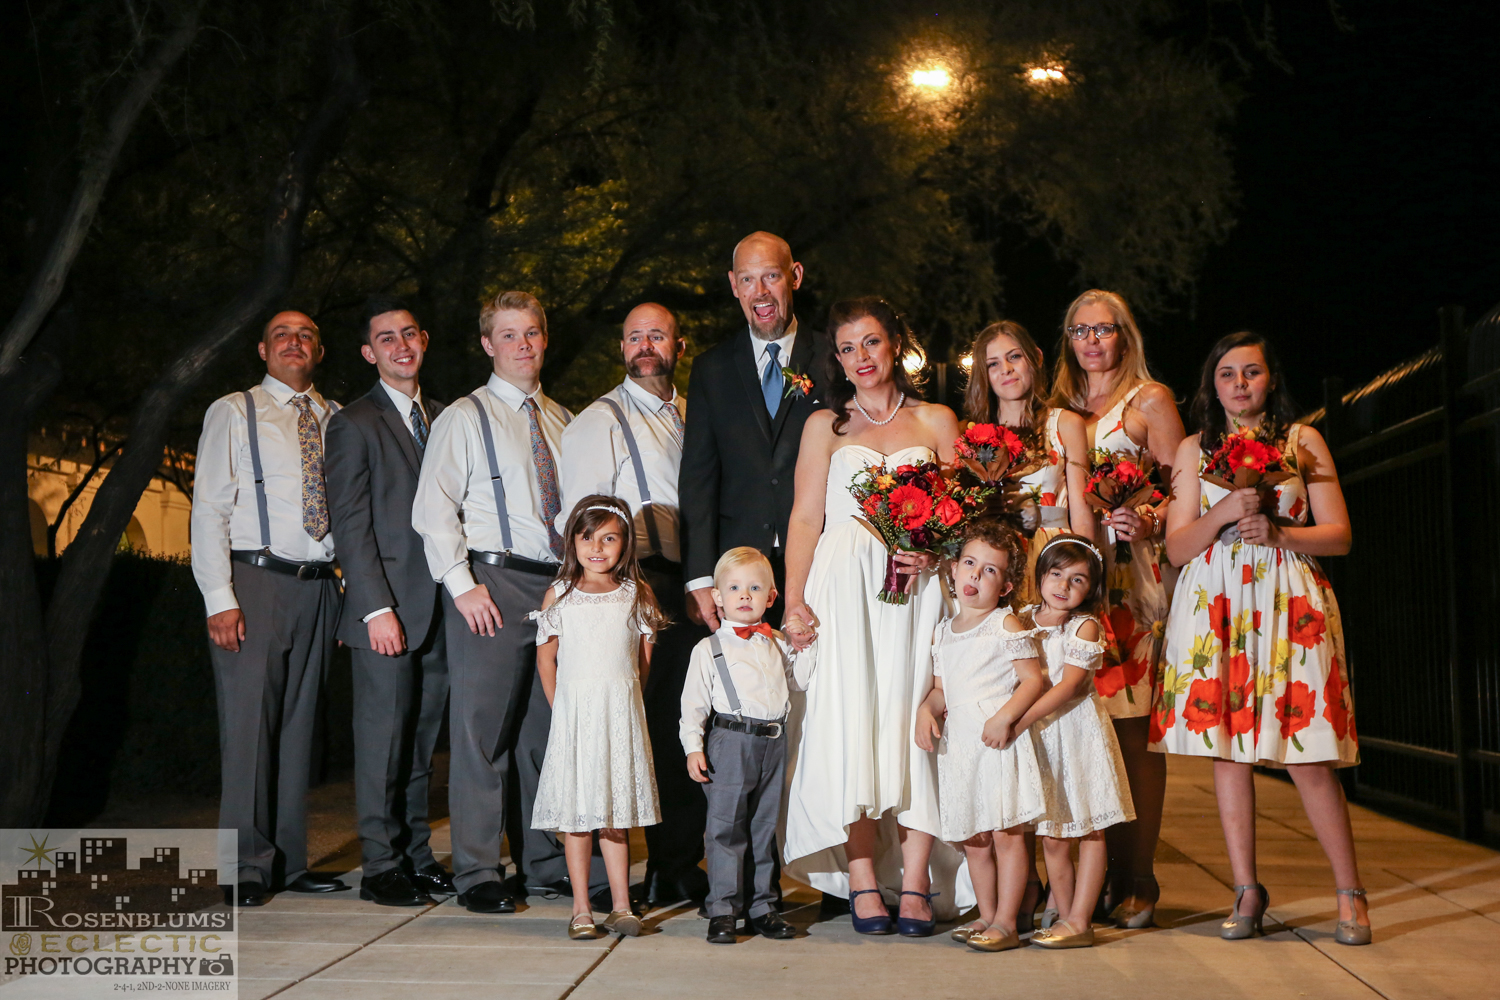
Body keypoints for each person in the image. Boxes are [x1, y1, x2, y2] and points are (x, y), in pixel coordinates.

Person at [1154, 331, 1368, 945]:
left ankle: (1350, 892)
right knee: (1228, 750)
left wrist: (1281, 535)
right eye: (1227, 373)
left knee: (1309, 749)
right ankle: (1246, 889)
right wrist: (1223, 512)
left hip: (1287, 597)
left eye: (1251, 371)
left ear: (1271, 379)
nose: (1239, 383)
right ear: (1212, 384)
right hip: (1217, 600)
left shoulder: (1302, 441)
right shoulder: (1195, 449)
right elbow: (1177, 546)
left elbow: (1340, 534)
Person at [781, 296, 964, 936]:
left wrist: (937, 553)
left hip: (920, 593)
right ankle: (861, 879)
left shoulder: (937, 420)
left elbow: (965, 517)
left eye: (872, 342)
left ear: (896, 345)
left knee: (915, 724)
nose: (860, 357)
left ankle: (916, 881)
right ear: (836, 359)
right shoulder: (824, 427)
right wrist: (795, 599)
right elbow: (805, 517)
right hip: (844, 593)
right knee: (852, 723)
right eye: (847, 347)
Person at [412, 290, 572, 913]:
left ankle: (544, 862)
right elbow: (433, 508)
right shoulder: (464, 416)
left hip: (555, 587)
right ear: (487, 344)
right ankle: (478, 871)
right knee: (481, 734)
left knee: (543, 733)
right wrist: (463, 584)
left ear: (544, 338)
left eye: (531, 332)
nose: (522, 344)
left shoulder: (563, 420)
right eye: (508, 334)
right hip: (494, 583)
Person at [190, 309, 348, 906]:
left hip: (321, 586)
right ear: (263, 350)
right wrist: (219, 597)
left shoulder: (338, 419)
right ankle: (244, 865)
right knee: (250, 727)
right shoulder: (235, 411)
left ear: (320, 351)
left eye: (306, 335)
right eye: (282, 334)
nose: (294, 342)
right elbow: (210, 507)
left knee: (300, 727)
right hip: (256, 580)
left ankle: (288, 861)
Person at [558, 302, 706, 905]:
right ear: (622, 348)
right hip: (639, 583)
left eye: (658, 335)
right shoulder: (599, 421)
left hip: (697, 580)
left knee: (691, 720)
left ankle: (679, 861)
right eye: (634, 336)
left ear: (678, 345)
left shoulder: (693, 413)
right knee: (640, 725)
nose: (645, 345)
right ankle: (630, 875)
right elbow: (581, 523)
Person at [1051, 288, 1183, 927]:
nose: (1091, 341)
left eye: (1103, 329)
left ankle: (1139, 875)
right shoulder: (1061, 409)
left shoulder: (1148, 400)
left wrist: (1150, 515)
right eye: (1079, 331)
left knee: (1133, 732)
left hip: (1131, 583)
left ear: (1124, 335)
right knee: (1083, 729)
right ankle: (1092, 877)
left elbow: (1183, 487)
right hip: (1071, 583)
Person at [324, 297, 453, 906]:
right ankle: (379, 866)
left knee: (422, 747)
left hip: (442, 611)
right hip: (387, 613)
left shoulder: (446, 417)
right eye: (386, 338)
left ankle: (416, 857)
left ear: (423, 340)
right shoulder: (354, 423)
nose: (400, 346)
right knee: (383, 744)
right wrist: (375, 608)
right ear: (368, 352)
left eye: (408, 334)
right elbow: (350, 525)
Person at [531, 496, 666, 940]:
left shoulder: (636, 594)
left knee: (614, 813)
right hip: (574, 719)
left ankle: (621, 906)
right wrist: (562, 709)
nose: (597, 547)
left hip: (618, 717)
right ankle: (581, 909)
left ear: (625, 543)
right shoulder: (560, 595)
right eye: (587, 537)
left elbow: (642, 661)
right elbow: (546, 660)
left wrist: (626, 702)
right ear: (572, 541)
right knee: (577, 816)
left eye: (609, 538)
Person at [680, 231, 827, 630]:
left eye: (771, 276)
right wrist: (699, 576)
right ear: (733, 285)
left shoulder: (833, 358)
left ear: (795, 276)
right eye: (747, 279)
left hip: (820, 561)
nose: (759, 291)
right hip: (738, 575)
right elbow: (698, 479)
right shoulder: (710, 369)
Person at [914, 523, 1046, 954]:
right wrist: (926, 709)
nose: (975, 574)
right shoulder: (943, 631)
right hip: (961, 748)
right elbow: (942, 689)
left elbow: (1033, 680)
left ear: (1005, 587)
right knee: (975, 839)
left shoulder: (1003, 623)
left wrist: (1004, 717)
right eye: (969, 563)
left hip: (996, 745)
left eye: (990, 570)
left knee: (1006, 835)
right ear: (953, 570)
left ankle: (1007, 922)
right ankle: (987, 915)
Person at [680, 547, 817, 945]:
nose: (744, 595)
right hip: (731, 742)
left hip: (773, 742)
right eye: (734, 588)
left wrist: (806, 648)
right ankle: (723, 909)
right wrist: (693, 747)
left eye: (755, 588)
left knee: (763, 827)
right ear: (718, 597)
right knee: (725, 829)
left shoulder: (776, 642)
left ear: (771, 597)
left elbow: (798, 682)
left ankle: (762, 907)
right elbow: (693, 705)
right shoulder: (708, 649)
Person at [1013, 535, 1136, 949]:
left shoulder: (1083, 625)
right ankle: (1064, 917)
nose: (1063, 586)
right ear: (1041, 575)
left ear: (1092, 588)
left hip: (1075, 732)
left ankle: (1080, 918)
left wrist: (1019, 719)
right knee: (1052, 834)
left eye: (1078, 579)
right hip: (1041, 735)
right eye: (1056, 573)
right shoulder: (1023, 618)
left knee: (1088, 828)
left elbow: (1069, 686)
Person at [964, 319, 1095, 603]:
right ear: (984, 375)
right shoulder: (972, 434)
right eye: (993, 364)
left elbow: (1082, 513)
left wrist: (1087, 574)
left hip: (1053, 555)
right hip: (994, 558)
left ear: (1035, 357)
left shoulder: (1065, 423)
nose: (1006, 369)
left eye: (1014, 357)